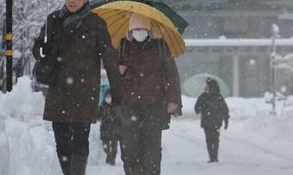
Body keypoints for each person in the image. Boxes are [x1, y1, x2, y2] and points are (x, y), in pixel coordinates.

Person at [32, 0, 119, 175]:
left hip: (84, 91)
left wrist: (118, 89)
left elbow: (109, 57)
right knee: (62, 143)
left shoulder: (96, 23)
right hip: (58, 90)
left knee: (80, 142)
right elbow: (37, 48)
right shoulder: (53, 20)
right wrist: (42, 49)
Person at [115, 13, 182, 175]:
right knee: (129, 148)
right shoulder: (123, 47)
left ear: (149, 29)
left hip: (154, 106)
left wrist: (173, 100)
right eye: (136, 28)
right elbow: (112, 77)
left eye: (143, 28)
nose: (139, 31)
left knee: (151, 149)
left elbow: (171, 75)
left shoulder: (160, 47)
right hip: (129, 106)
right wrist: (119, 72)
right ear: (130, 30)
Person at [194, 78, 229, 163]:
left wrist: (200, 106)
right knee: (215, 139)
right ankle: (214, 157)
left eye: (206, 85)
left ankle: (212, 157)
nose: (205, 87)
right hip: (215, 122)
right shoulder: (218, 97)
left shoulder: (204, 96)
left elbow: (197, 109)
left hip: (208, 122)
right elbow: (225, 110)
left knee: (209, 140)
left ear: (210, 86)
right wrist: (225, 120)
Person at [98, 88, 120, 166]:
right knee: (105, 147)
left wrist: (114, 117)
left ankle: (112, 159)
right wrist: (103, 117)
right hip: (105, 130)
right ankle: (109, 156)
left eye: (109, 96)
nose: (108, 98)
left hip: (115, 130)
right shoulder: (102, 106)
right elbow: (98, 117)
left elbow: (119, 116)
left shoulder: (115, 106)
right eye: (107, 97)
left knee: (114, 147)